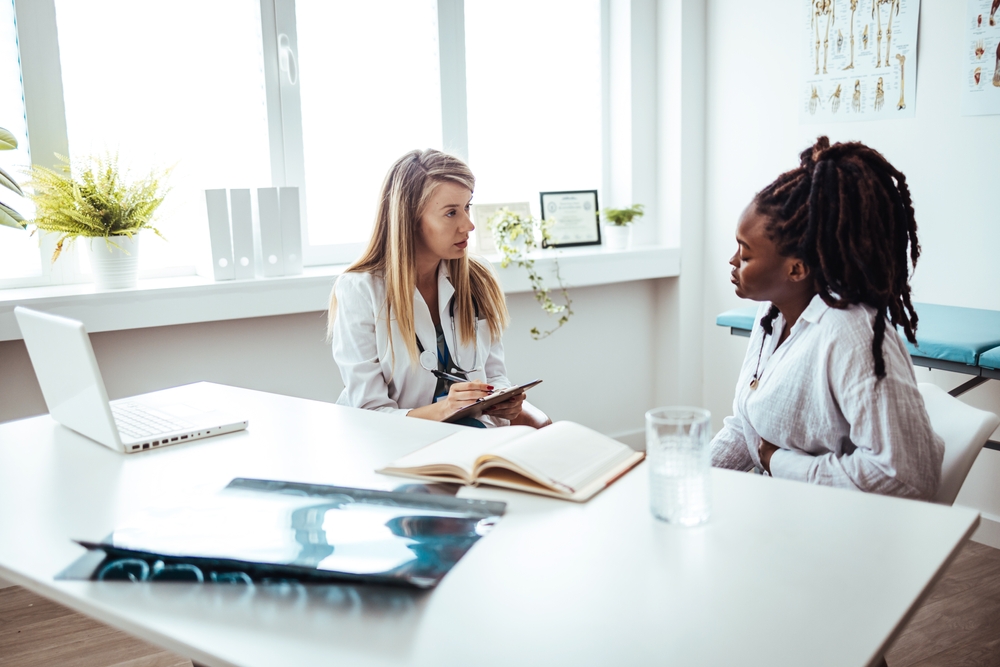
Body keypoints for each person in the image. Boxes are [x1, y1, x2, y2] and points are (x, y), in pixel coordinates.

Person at [711, 136, 943, 499]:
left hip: (837, 535)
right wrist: (690, 477)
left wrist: (780, 464)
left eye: (746, 252)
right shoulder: (771, 314)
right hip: (777, 511)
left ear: (797, 269)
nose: (732, 260)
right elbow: (746, 429)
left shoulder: (853, 336)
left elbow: (905, 476)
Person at [328, 149, 550, 429]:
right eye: (451, 213)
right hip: (392, 438)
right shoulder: (360, 290)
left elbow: (494, 375)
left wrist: (502, 400)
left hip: (471, 430)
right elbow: (370, 412)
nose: (468, 225)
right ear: (410, 220)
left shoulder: (477, 278)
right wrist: (445, 409)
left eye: (468, 206)